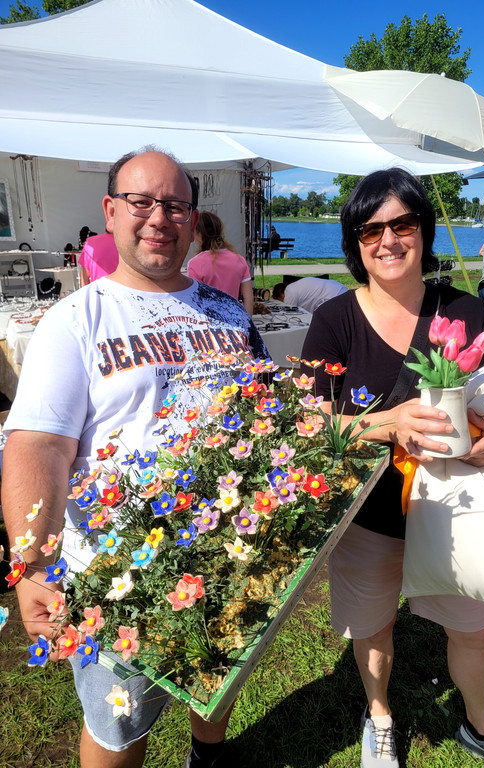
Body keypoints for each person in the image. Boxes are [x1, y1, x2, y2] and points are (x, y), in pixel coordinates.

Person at [2, 148, 267, 768]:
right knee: (118, 720)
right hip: (120, 573)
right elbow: (39, 443)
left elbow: (263, 416)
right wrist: (33, 564)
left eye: (174, 205)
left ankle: (208, 755)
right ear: (110, 211)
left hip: (226, 548)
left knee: (220, 664)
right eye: (141, 202)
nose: (158, 218)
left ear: (193, 218)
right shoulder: (74, 320)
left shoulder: (229, 314)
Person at [301, 168, 484, 768]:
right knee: (373, 628)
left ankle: (483, 729)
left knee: (472, 630)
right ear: (355, 242)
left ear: (424, 229)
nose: (388, 240)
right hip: (369, 515)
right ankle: (380, 716)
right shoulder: (335, 320)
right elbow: (310, 427)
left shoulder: (465, 310)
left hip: (457, 512)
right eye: (370, 230)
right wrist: (390, 423)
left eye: (402, 224)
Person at [187, 211, 253, 315]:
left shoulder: (195, 264)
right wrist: (247, 322)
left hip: (209, 321)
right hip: (233, 319)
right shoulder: (239, 260)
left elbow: (194, 301)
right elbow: (248, 298)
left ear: (199, 234)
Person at [272, 276, 348, 313]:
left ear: (280, 292)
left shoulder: (289, 291)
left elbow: (290, 312)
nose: (283, 301)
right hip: (339, 289)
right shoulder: (296, 286)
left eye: (280, 299)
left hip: (333, 296)